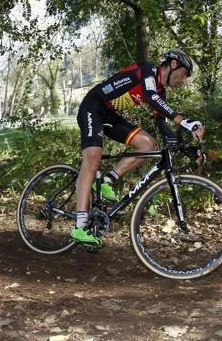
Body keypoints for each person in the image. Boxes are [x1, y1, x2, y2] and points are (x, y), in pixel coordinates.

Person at [70, 48, 205, 249]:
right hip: (93, 106)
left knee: (148, 144)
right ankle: (80, 226)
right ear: (174, 64)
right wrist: (185, 121)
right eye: (184, 75)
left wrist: (188, 149)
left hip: (110, 115)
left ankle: (107, 180)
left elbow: (163, 126)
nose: (183, 81)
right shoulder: (147, 70)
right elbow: (151, 97)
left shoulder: (161, 92)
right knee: (93, 158)